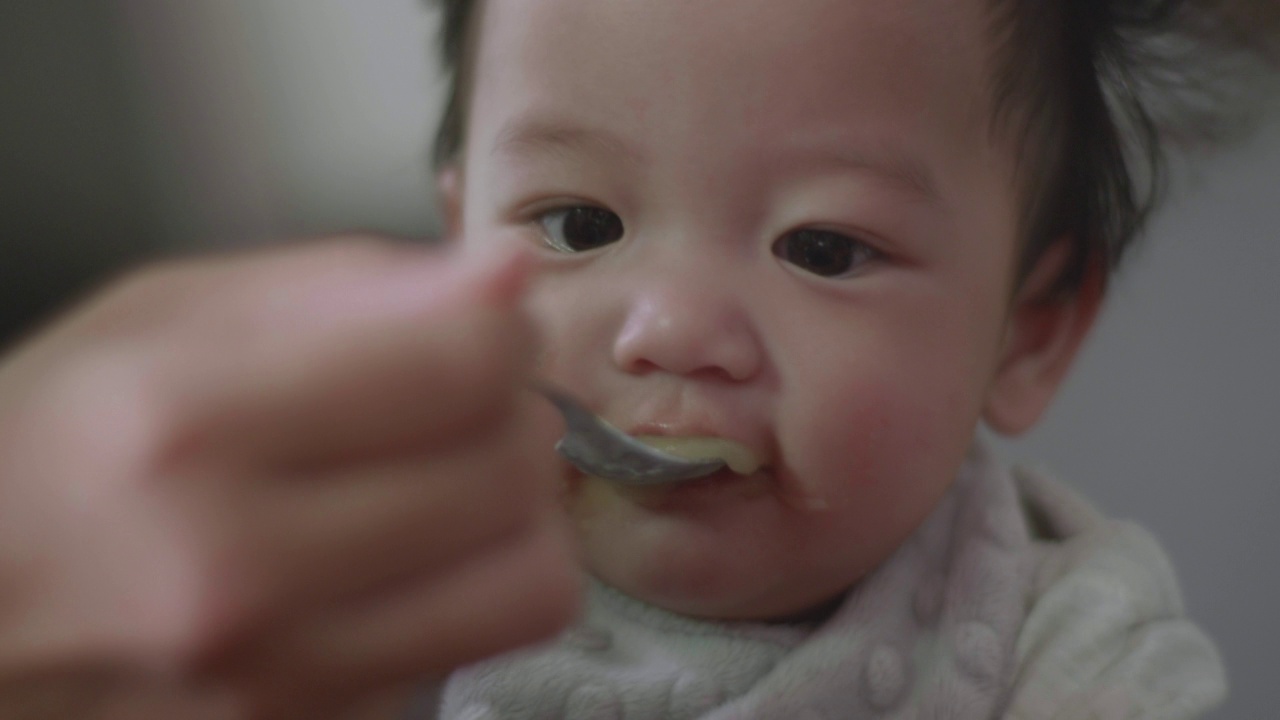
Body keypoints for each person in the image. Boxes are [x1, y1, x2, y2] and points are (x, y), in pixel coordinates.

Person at [415, 0, 1274, 718]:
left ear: (1026, 332)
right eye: (580, 226)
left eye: (822, 249)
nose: (672, 330)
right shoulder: (378, 576)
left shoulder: (1065, 648)